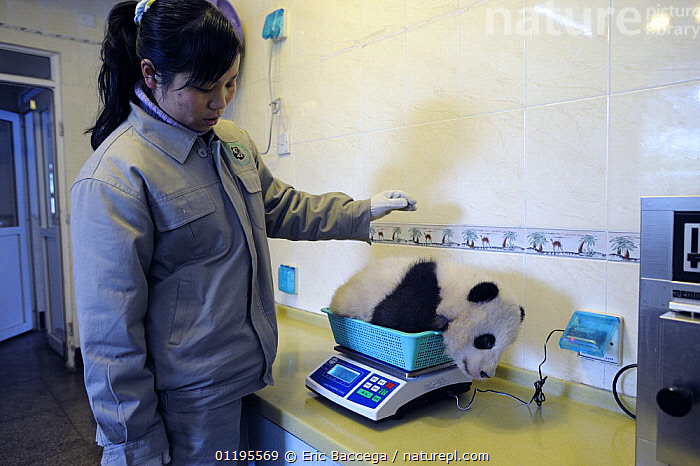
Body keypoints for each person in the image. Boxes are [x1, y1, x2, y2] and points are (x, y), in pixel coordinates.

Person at [71, 1, 416, 465]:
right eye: (203, 87)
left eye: (230, 82)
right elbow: (112, 340)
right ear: (151, 74)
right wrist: (133, 446)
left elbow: (281, 206)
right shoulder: (116, 176)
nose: (221, 100)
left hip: (250, 379)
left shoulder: (231, 141)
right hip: (186, 406)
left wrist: (361, 211)